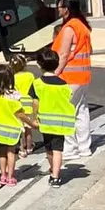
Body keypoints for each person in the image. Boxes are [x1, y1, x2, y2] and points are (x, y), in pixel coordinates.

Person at [51, 0, 93, 159]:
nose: (58, 10)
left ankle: (70, 148)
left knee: (66, 112)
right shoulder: (83, 26)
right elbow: (89, 50)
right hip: (83, 75)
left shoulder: (69, 28)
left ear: (66, 9)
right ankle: (84, 147)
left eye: (60, 7)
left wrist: (56, 72)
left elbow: (63, 54)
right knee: (81, 111)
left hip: (69, 76)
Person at [0, 64, 37, 187]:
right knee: (11, 153)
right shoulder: (14, 95)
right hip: (12, 129)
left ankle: (3, 175)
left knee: (1, 153)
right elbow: (20, 114)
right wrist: (32, 124)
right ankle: (10, 177)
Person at [30, 48, 75, 187]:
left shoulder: (37, 83)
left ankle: (53, 171)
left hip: (45, 122)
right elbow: (69, 98)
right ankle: (55, 175)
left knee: (49, 148)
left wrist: (34, 117)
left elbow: (35, 103)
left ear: (39, 65)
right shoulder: (64, 84)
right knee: (58, 150)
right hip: (61, 122)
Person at [10, 54, 36, 157]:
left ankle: (21, 149)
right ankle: (29, 147)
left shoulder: (13, 77)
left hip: (18, 102)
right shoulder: (30, 75)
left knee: (20, 128)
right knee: (28, 127)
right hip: (28, 102)